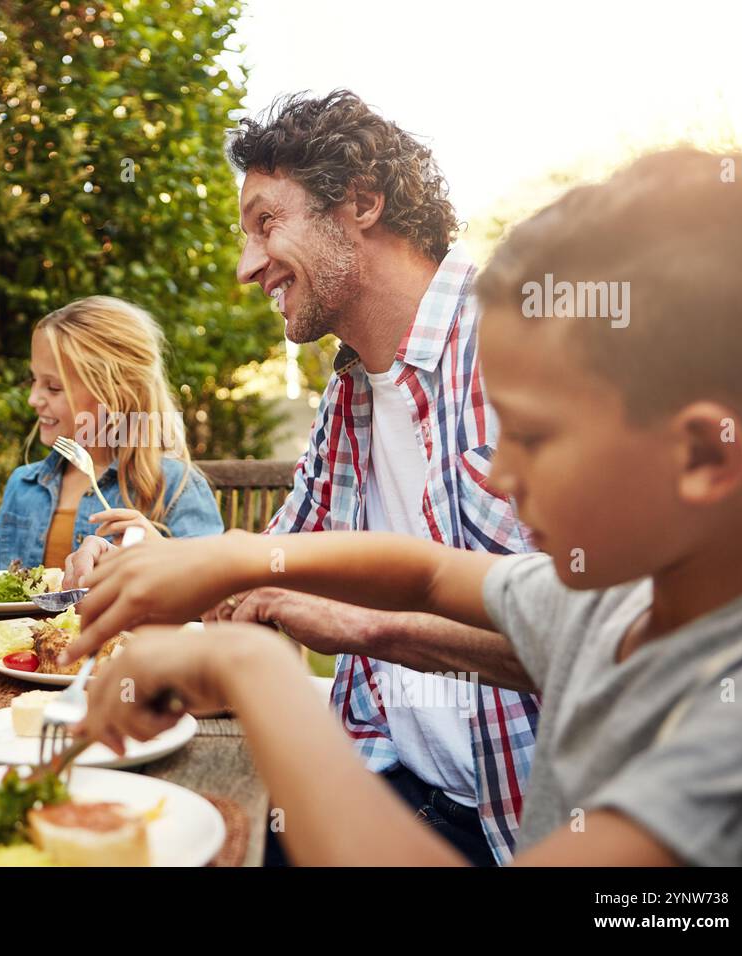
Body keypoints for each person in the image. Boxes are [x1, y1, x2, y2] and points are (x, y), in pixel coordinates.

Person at [68, 149, 742, 866]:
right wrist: (229, 556)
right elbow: (431, 573)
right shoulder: (618, 603)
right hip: (392, 776)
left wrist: (251, 667)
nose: (500, 469)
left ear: (706, 458)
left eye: (528, 437)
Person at [65, 90, 537, 865]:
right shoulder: (348, 395)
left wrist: (363, 627)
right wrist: (154, 558)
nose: (248, 266)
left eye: (265, 222)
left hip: (515, 828)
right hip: (383, 772)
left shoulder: (523, 347)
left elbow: (587, 637)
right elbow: (265, 574)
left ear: (361, 201)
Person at [0, 296, 223, 573]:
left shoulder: (174, 486)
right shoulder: (23, 486)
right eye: (34, 380)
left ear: (114, 395)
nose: (33, 398)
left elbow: (215, 593)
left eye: (53, 387)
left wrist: (160, 558)